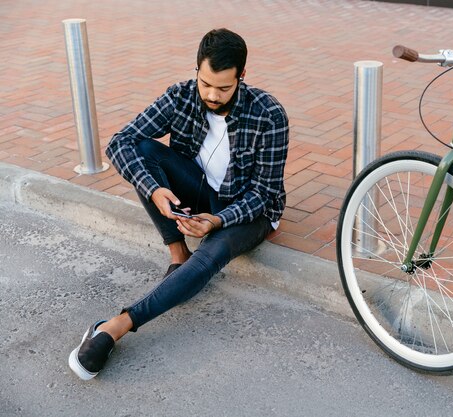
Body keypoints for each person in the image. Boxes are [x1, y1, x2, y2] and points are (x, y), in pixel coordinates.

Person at [68, 28, 289, 380]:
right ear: (196, 70)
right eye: (206, 84)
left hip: (248, 210)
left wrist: (216, 221)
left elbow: (264, 192)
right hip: (201, 191)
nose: (212, 95)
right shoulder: (181, 96)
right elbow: (120, 142)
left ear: (242, 77)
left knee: (213, 255)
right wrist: (155, 189)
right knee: (143, 153)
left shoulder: (269, 114)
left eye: (224, 88)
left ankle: (115, 326)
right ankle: (177, 254)